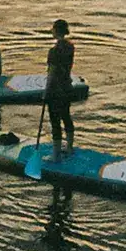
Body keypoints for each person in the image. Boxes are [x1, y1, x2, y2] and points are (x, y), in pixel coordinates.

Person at [45, 18, 76, 152]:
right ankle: (69, 147)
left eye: (53, 28)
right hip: (67, 87)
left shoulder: (54, 51)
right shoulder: (70, 46)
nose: (51, 30)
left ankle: (56, 155)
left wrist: (46, 91)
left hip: (56, 90)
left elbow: (51, 73)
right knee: (66, 116)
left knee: (55, 121)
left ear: (56, 31)